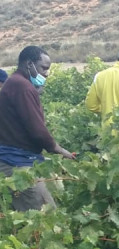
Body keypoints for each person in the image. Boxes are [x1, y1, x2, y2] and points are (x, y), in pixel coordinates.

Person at [0, 46, 76, 211]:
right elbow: (38, 131)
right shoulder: (22, 87)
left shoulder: (16, 83)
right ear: (29, 64)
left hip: (15, 159)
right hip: (17, 163)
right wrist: (59, 150)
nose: (46, 73)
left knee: (28, 217)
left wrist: (34, 94)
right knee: (46, 217)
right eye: (43, 68)